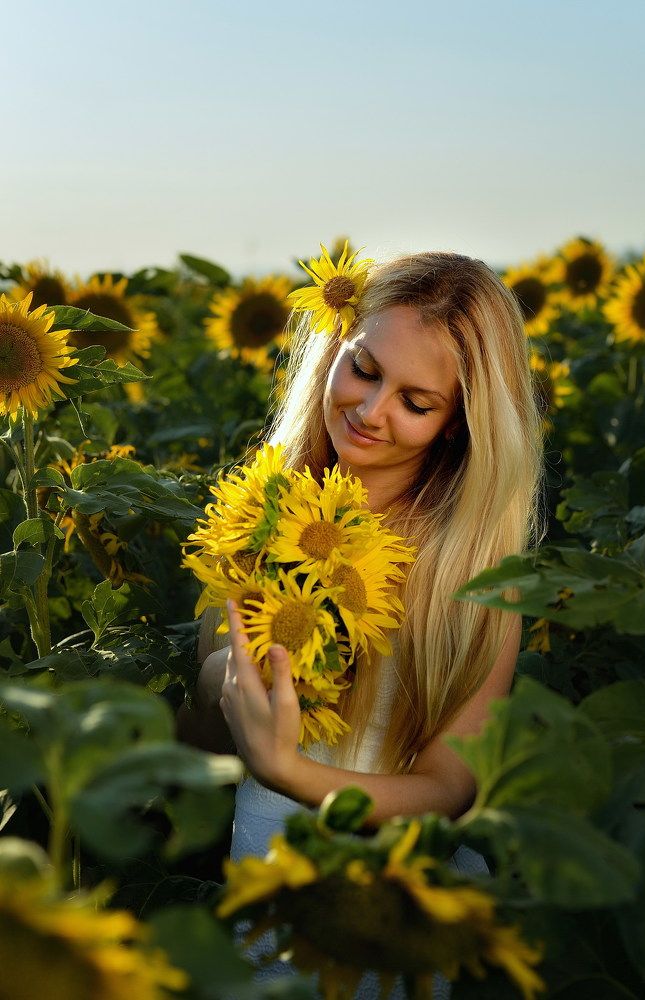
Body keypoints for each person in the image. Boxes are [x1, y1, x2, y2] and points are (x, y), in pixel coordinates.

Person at [177, 250, 543, 993]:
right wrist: (256, 665)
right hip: (264, 858)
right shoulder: (267, 507)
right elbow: (204, 727)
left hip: (391, 892)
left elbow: (449, 785)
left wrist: (292, 770)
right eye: (364, 370)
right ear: (333, 350)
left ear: (457, 423)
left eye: (416, 401)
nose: (372, 411)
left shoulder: (468, 565)